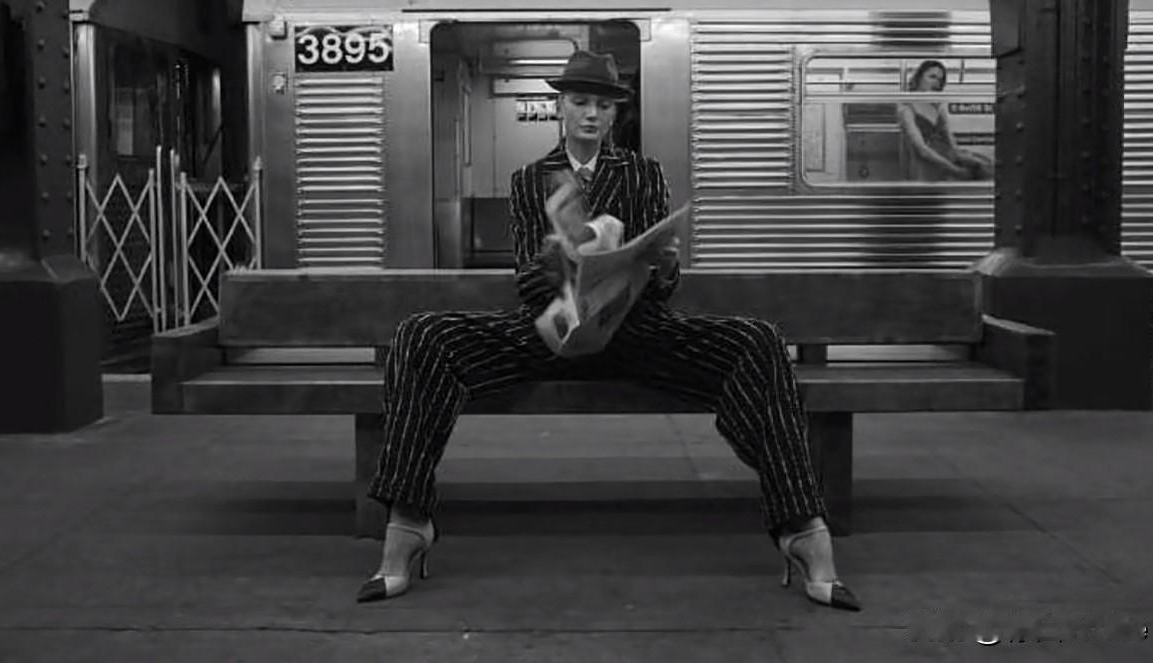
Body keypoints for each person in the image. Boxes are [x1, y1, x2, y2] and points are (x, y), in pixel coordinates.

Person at [357, 50, 861, 612]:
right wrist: (564, 266)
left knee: (759, 341)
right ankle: (408, 522)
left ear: (615, 113)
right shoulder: (530, 181)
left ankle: (802, 527)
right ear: (561, 107)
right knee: (421, 334)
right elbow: (528, 280)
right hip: (553, 335)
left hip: (636, 333)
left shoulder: (644, 174)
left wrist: (660, 267)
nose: (591, 114)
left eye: (602, 105)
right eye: (580, 102)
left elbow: (664, 283)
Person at [898, 60, 993, 182]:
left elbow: (950, 140)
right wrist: (954, 169)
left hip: (946, 160)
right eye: (932, 77)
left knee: (986, 167)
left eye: (940, 79)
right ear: (919, 78)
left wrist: (965, 157)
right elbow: (922, 149)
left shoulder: (937, 106)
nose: (936, 83)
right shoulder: (906, 107)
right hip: (926, 166)